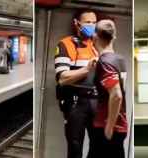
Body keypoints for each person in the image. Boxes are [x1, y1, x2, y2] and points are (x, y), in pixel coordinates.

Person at [54, 10, 98, 158]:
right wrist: (86, 69)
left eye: (94, 22)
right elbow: (63, 77)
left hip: (96, 102)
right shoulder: (66, 44)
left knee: (99, 145)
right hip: (75, 103)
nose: (91, 25)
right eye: (87, 22)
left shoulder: (98, 45)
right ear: (76, 23)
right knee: (75, 145)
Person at [90, 19, 128, 158]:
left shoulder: (105, 62)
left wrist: (109, 126)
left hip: (107, 126)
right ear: (114, 36)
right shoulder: (120, 59)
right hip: (120, 124)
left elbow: (116, 95)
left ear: (94, 37)